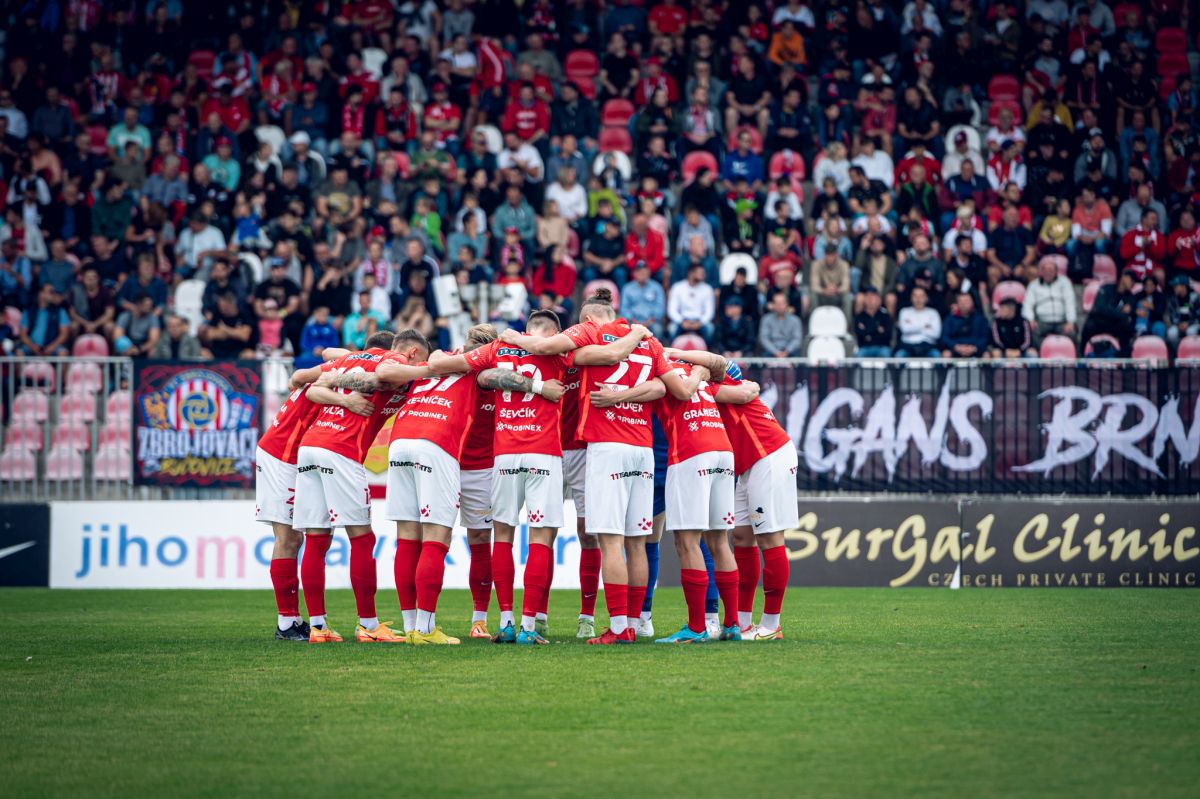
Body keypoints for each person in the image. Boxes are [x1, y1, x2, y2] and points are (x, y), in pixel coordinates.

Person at [500, 289, 694, 645]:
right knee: (636, 543)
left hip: (604, 447)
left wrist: (512, 336)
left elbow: (551, 348)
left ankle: (615, 626)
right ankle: (633, 622)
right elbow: (667, 388)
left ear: (587, 319)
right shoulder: (649, 343)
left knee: (609, 541)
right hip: (641, 449)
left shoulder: (587, 335)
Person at [430, 311, 574, 645]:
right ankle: (528, 626)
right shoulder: (561, 352)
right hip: (543, 452)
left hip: (504, 456)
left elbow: (450, 366)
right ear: (554, 332)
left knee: (503, 538)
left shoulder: (497, 350)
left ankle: (506, 621)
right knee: (540, 538)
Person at [294, 329, 432, 644]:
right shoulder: (394, 361)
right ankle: (368, 625)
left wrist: (342, 390)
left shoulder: (350, 360)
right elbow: (384, 373)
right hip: (341, 449)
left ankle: (318, 627)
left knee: (316, 538)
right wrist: (351, 400)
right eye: (418, 361)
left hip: (311, 446)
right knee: (362, 538)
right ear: (410, 353)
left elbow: (311, 387)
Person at [254, 344, 376, 641]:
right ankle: (287, 622)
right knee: (289, 538)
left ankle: (301, 621)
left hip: (299, 453)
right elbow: (305, 377)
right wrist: (346, 400)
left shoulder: (341, 367)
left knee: (313, 536)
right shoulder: (337, 378)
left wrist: (354, 357)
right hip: (282, 454)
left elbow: (326, 355)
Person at [670, 351, 793, 640]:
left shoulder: (720, 387)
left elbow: (728, 376)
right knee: (740, 537)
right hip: (747, 463)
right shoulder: (723, 387)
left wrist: (674, 353)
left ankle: (772, 625)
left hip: (769, 454)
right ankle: (743, 621)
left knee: (770, 537)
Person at [640, 351, 740, 643]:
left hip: (690, 452)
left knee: (687, 542)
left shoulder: (659, 370)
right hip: (723, 450)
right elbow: (721, 365)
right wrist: (697, 369)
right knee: (719, 541)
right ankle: (732, 624)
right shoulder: (697, 368)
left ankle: (696, 628)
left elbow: (673, 392)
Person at [1023, 257, 1077, 344]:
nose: (1048, 273)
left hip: (1061, 321)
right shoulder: (1033, 285)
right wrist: (1031, 320)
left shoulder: (1065, 282)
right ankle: (1043, 351)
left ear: (1056, 272)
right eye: (1045, 270)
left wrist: (1070, 321)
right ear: (1041, 272)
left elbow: (1070, 303)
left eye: (1051, 270)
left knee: (1072, 333)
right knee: (1032, 332)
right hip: (1042, 321)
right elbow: (1028, 304)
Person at [666, 262, 714, 341]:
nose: (703, 275)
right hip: (682, 320)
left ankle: (707, 349)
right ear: (691, 273)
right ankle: (673, 349)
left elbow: (709, 312)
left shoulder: (707, 288)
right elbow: (672, 310)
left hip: (699, 321)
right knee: (672, 329)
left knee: (710, 328)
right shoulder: (677, 287)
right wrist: (681, 321)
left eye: (703, 273)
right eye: (700, 273)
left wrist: (700, 322)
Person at [894, 286, 942, 357]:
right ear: (911, 298)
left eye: (921, 296)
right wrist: (926, 326)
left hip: (928, 346)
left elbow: (936, 334)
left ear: (926, 298)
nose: (918, 299)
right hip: (907, 346)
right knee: (899, 355)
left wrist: (912, 325)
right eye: (915, 296)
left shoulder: (933, 313)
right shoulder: (904, 312)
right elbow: (905, 329)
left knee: (936, 355)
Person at [939, 292, 989, 358]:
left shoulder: (980, 319)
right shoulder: (949, 319)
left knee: (986, 355)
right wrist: (956, 347)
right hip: (955, 349)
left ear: (972, 303)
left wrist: (974, 348)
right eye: (961, 302)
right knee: (946, 354)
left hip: (976, 349)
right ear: (957, 303)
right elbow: (945, 338)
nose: (964, 304)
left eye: (966, 301)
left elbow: (985, 337)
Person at [759, 292, 803, 358]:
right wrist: (775, 352)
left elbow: (797, 339)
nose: (779, 306)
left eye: (782, 303)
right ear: (773, 305)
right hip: (771, 352)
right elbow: (764, 339)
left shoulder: (795, 320)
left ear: (787, 304)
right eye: (777, 303)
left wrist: (787, 351)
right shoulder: (766, 319)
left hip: (790, 352)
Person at [854, 286, 893, 357]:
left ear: (878, 300)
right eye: (867, 297)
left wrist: (867, 332)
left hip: (881, 347)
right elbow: (859, 335)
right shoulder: (860, 316)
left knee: (886, 354)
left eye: (872, 296)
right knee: (859, 355)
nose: (870, 299)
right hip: (864, 347)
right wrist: (877, 329)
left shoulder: (884, 315)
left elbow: (888, 335)